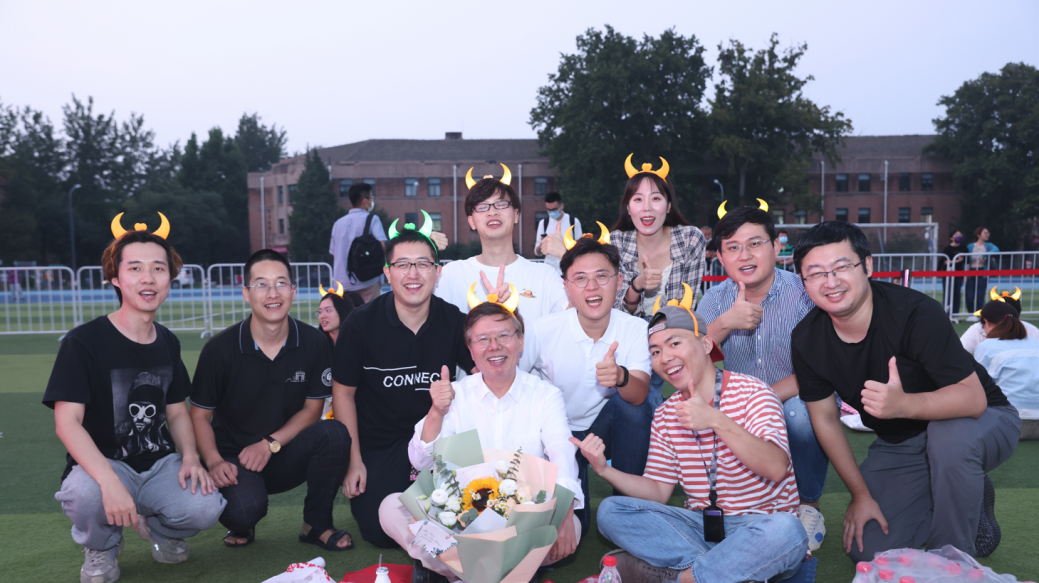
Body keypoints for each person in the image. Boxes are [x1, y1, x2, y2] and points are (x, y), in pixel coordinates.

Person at [790, 221, 1020, 561]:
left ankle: (953, 560)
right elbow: (824, 419)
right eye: (816, 273)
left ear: (867, 266)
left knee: (948, 439)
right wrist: (860, 494)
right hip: (903, 442)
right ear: (803, 281)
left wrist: (904, 405)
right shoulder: (807, 339)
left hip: (984, 418)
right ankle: (962, 494)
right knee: (868, 548)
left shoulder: (914, 312)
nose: (831, 281)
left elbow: (973, 399)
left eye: (842, 267)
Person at [46, 214, 225, 583]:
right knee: (86, 496)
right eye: (136, 268)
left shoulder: (167, 341)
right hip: (105, 464)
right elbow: (67, 423)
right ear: (115, 277)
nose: (148, 278)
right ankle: (102, 545)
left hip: (158, 464)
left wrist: (191, 457)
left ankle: (157, 528)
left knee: (206, 506)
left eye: (158, 268)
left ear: (170, 278)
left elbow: (177, 413)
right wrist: (109, 481)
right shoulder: (84, 342)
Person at [578, 298, 807, 583]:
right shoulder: (665, 413)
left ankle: (681, 578)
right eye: (655, 351)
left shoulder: (754, 392)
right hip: (700, 528)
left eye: (675, 343)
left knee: (787, 530)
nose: (665, 357)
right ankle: (723, 572)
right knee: (611, 511)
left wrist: (714, 419)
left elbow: (776, 468)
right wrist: (604, 469)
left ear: (707, 344)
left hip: (760, 526)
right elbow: (658, 491)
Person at [379, 300, 583, 581]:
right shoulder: (455, 395)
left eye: (503, 335)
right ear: (471, 350)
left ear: (520, 341)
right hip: (459, 521)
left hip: (521, 521)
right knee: (391, 508)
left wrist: (566, 512)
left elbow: (562, 454)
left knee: (572, 525)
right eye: (483, 339)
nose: (494, 346)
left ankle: (457, 570)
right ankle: (502, 572)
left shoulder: (545, 395)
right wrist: (436, 411)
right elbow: (420, 461)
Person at [190, 249, 353, 551]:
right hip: (236, 458)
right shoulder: (219, 349)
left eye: (280, 283)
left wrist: (269, 444)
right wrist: (213, 461)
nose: (272, 293)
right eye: (261, 284)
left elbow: (313, 409)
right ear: (246, 293)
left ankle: (316, 524)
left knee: (335, 433)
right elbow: (198, 415)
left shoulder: (314, 342)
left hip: (284, 451)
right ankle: (245, 517)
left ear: (293, 291)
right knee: (243, 512)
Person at [332, 219, 477, 548]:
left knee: (470, 513)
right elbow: (343, 393)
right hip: (380, 443)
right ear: (387, 272)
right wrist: (354, 460)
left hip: (437, 441)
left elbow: (486, 376)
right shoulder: (360, 324)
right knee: (378, 531)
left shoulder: (453, 320)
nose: (413, 274)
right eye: (402, 265)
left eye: (423, 264)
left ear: (437, 272)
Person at [696, 206, 828, 551]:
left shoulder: (804, 293)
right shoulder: (714, 300)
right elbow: (692, 360)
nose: (745, 255)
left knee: (799, 413)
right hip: (735, 406)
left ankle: (808, 505)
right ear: (720, 257)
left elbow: (819, 368)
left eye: (755, 243)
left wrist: (760, 399)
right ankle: (739, 506)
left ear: (776, 246)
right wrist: (726, 322)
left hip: (793, 395)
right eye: (733, 247)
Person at [522, 235, 654, 536]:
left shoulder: (634, 328)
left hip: (603, 429)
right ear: (567, 286)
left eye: (601, 276)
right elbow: (516, 384)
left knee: (633, 408)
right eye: (580, 278)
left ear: (619, 281)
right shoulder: (542, 330)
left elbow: (640, 396)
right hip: (557, 433)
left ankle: (627, 508)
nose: (592, 287)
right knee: (571, 531)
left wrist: (620, 376)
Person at [435, 165, 568, 322]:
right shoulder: (450, 275)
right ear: (471, 221)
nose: (492, 212)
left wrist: (567, 257)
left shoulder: (544, 276)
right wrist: (420, 249)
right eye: (482, 206)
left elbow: (579, 318)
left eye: (501, 204)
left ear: (516, 215)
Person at [612, 155, 707, 318]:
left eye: (655, 198)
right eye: (638, 199)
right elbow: (617, 313)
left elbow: (685, 310)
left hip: (675, 331)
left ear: (668, 206)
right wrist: (636, 286)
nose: (647, 207)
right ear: (628, 208)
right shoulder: (616, 242)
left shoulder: (690, 239)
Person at [974, 301, 1039, 428]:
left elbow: (977, 387)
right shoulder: (1036, 343)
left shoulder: (986, 346)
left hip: (1007, 419)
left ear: (986, 322)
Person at [330, 183, 387, 304]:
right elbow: (382, 245)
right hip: (368, 280)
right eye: (371, 198)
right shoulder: (372, 220)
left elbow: (334, 254)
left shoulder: (338, 224)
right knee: (370, 313)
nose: (372, 201)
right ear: (365, 201)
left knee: (348, 314)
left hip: (343, 282)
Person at [960, 292, 1039, 354]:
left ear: (986, 321)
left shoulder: (984, 346)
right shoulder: (1032, 334)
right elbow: (959, 352)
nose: (1006, 327)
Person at [534, 191, 582, 274]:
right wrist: (543, 243)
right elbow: (537, 252)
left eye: (554, 209)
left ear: (561, 206)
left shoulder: (573, 222)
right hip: (549, 270)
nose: (552, 212)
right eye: (549, 210)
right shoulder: (543, 223)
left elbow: (581, 248)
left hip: (569, 268)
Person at [965, 226, 1000, 320]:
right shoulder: (970, 246)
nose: (987, 235)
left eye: (988, 233)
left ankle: (979, 314)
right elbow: (966, 259)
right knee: (969, 295)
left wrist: (984, 255)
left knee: (980, 295)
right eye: (985, 233)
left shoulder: (988, 245)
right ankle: (971, 314)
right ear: (978, 234)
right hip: (971, 272)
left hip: (982, 272)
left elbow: (996, 250)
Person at [940, 230, 967, 319]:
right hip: (948, 275)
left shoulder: (964, 248)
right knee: (947, 293)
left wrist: (965, 275)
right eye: (956, 235)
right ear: (951, 238)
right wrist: (957, 260)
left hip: (959, 274)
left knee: (957, 294)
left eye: (960, 234)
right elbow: (945, 261)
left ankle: (955, 314)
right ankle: (946, 314)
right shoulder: (947, 249)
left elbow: (967, 262)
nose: (959, 236)